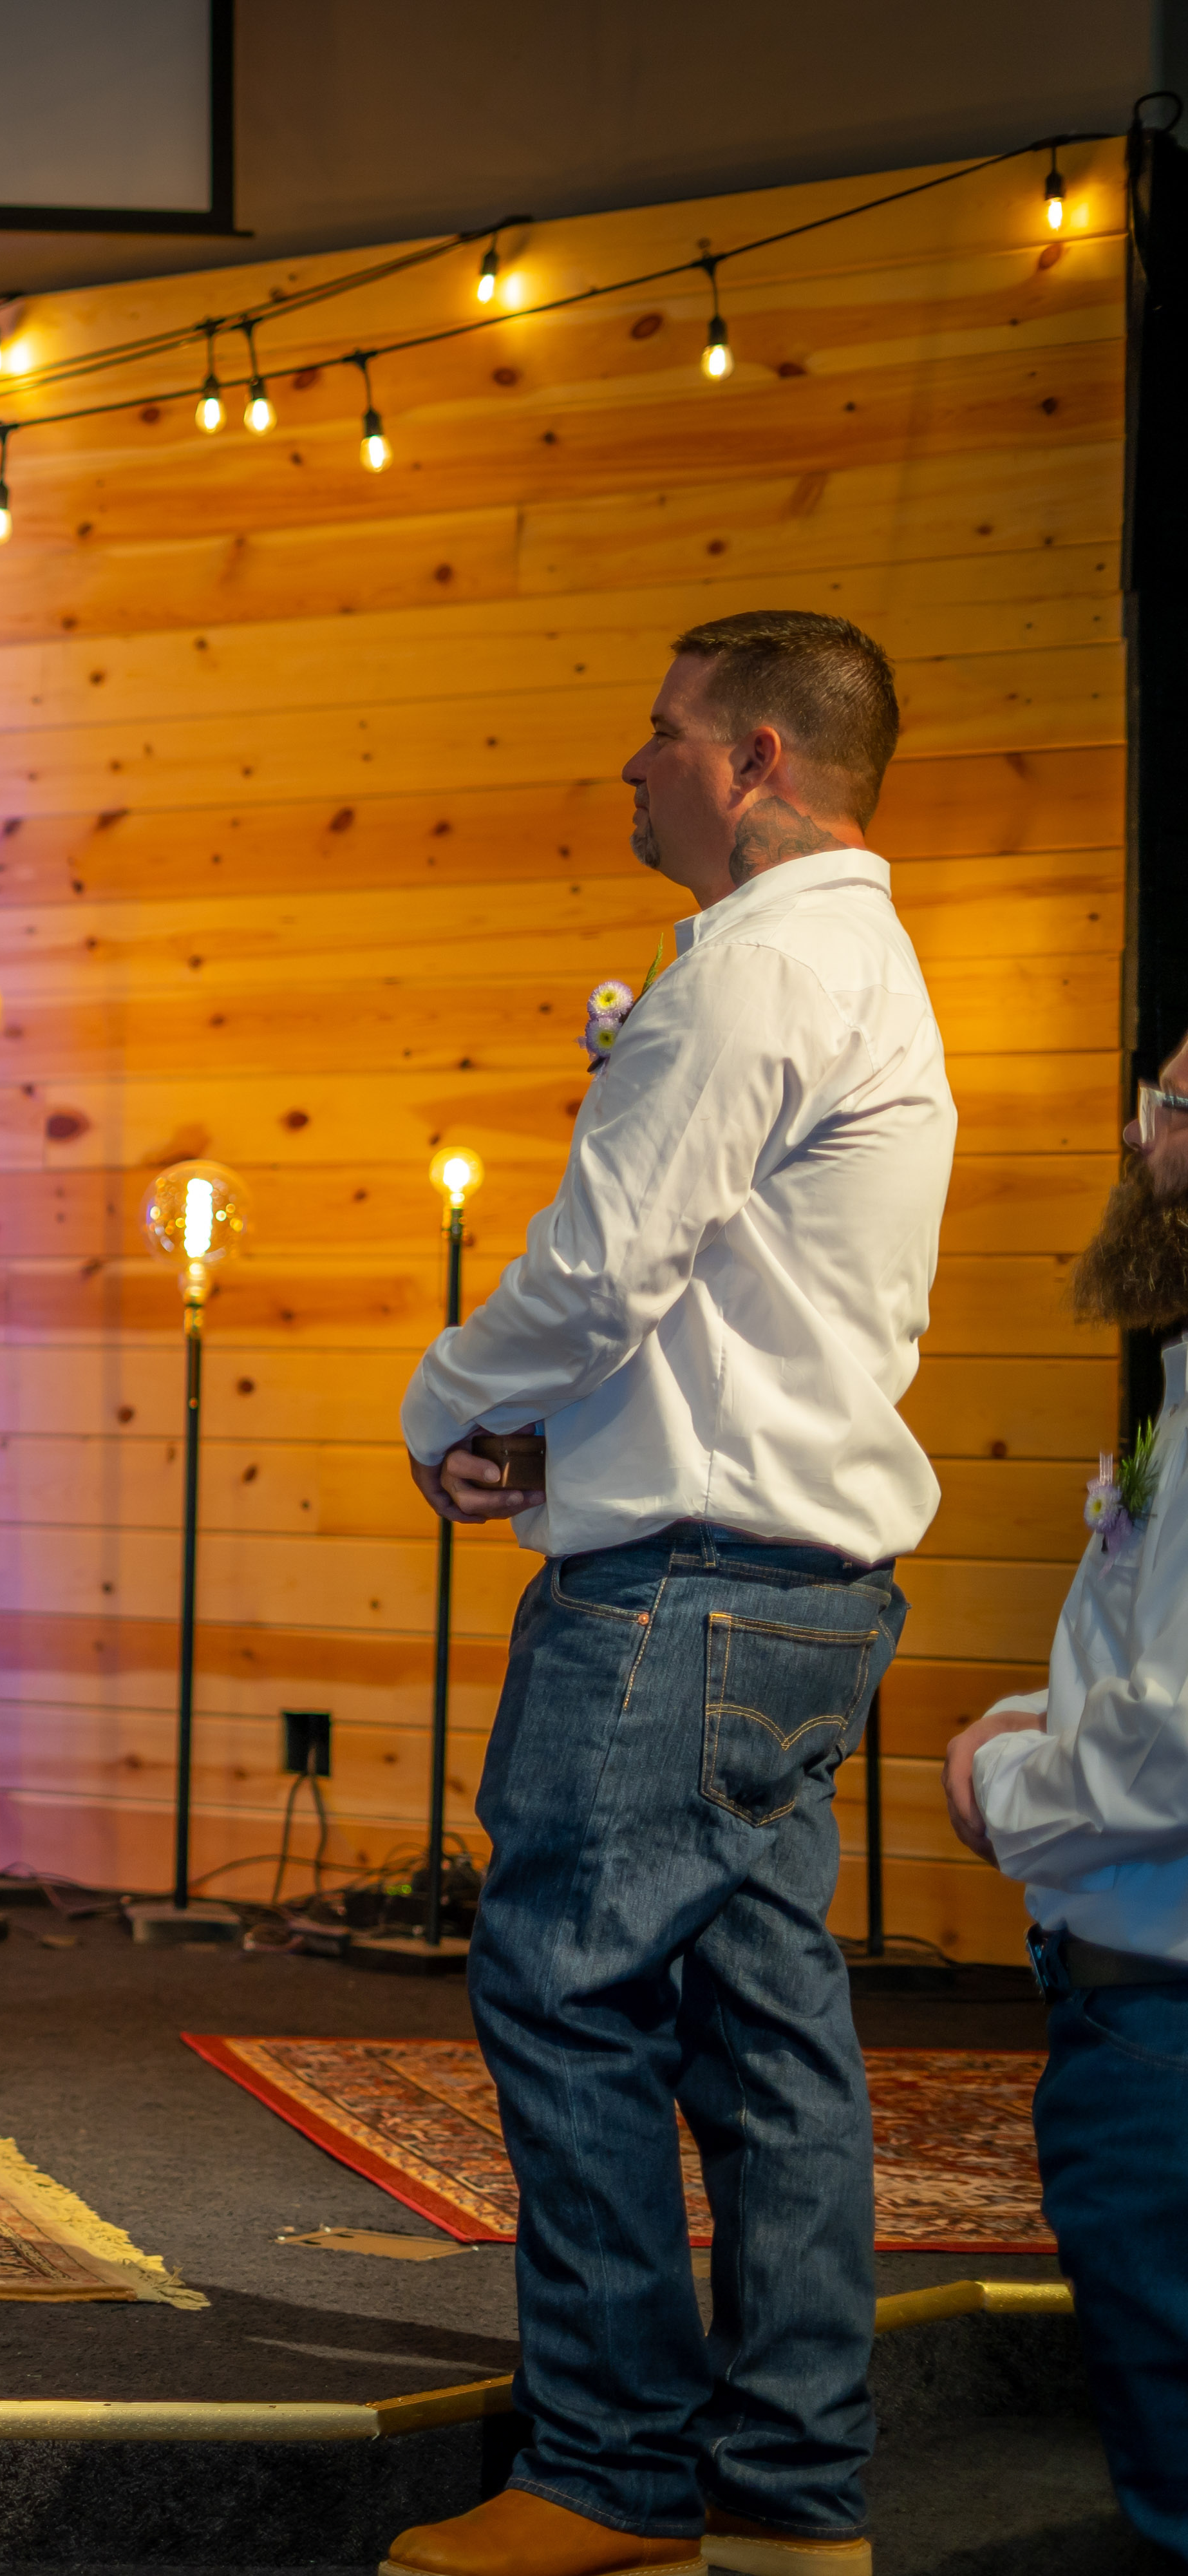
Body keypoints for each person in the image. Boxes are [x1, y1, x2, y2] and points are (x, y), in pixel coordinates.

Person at [381, 612, 953, 2576]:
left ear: (764, 761)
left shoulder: (759, 971)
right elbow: (742, 1312)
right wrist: (577, 1448)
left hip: (683, 1599)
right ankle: (790, 2497)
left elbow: (604, 1272)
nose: (633, 765)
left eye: (664, 734)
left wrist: (445, 1401)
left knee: (571, 1997)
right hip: (795, 1570)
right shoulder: (862, 960)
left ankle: (611, 2476)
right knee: (768, 2032)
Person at [942, 1040, 1188, 2559]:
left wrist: (1003, 1783)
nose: (1133, 1128)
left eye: (1168, 1106)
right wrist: (1047, 1710)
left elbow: (1177, 1740)